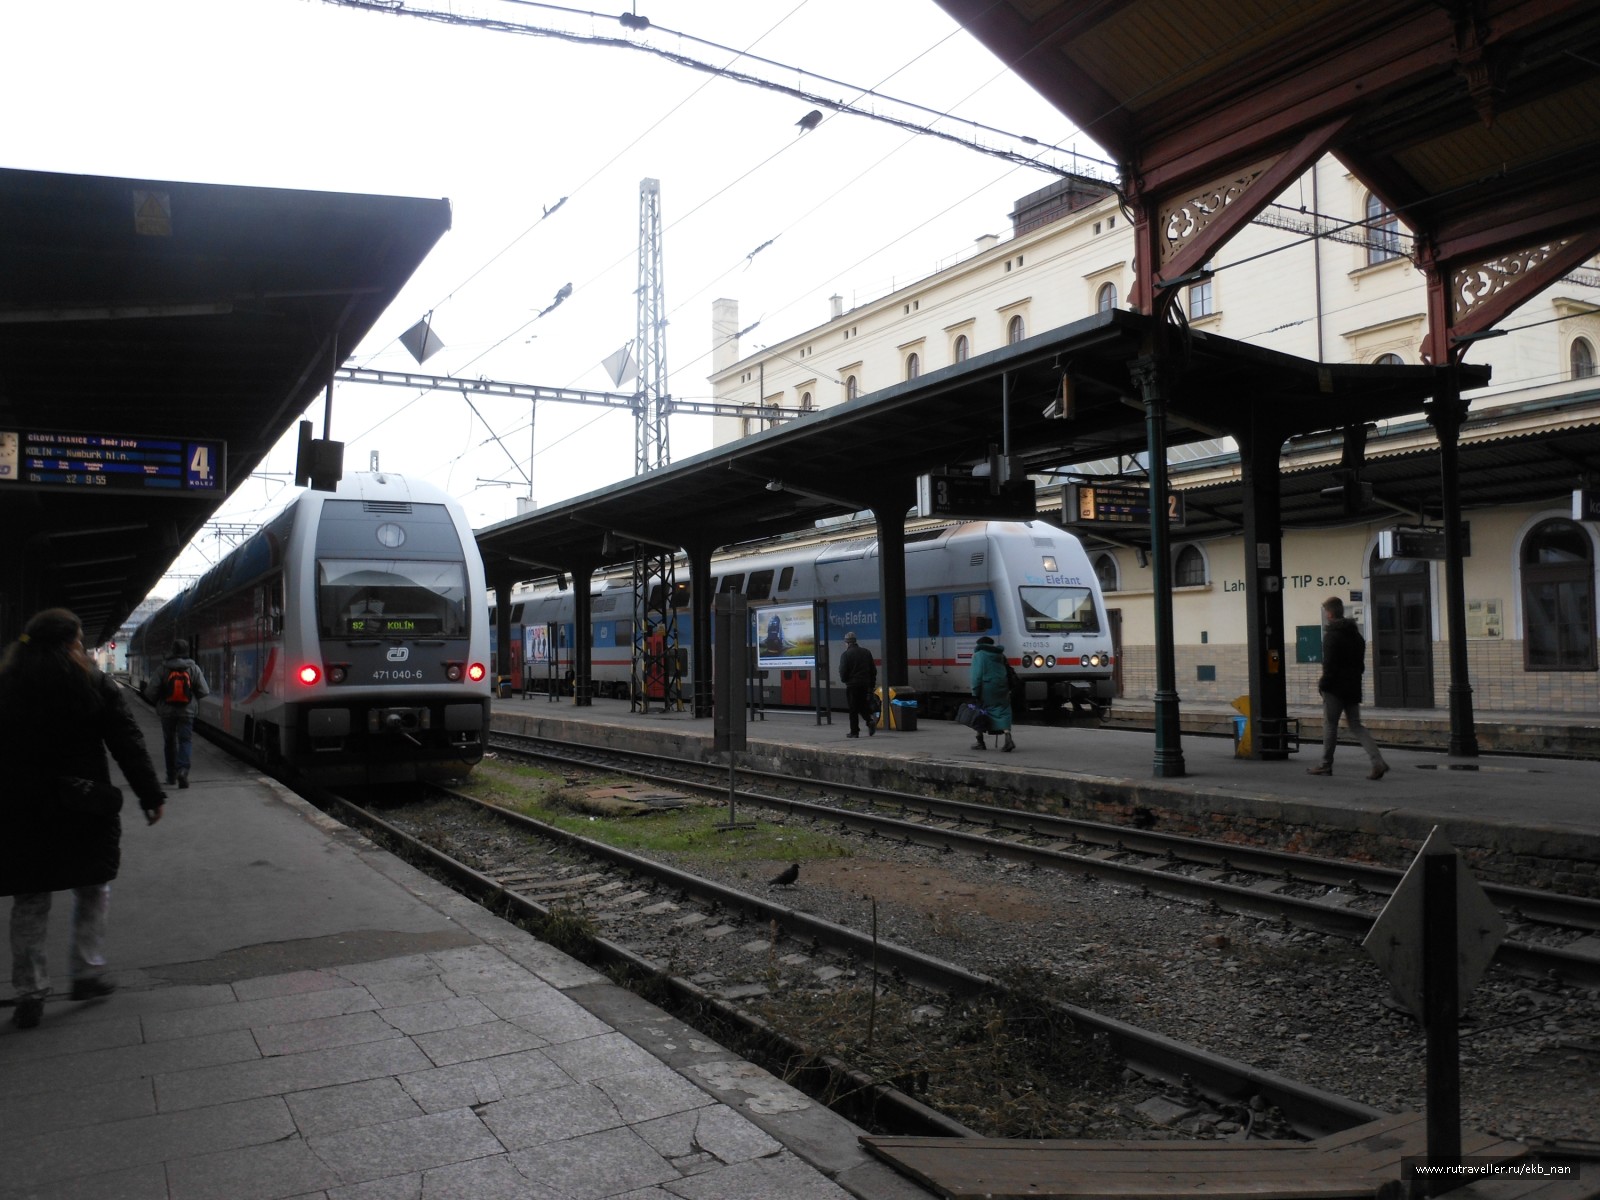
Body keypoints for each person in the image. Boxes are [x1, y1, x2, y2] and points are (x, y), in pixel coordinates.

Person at [2, 608, 166, 1030]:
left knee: (31, 901)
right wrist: (149, 794)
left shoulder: (8, 684)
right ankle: (87, 973)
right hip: (83, 802)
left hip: (23, 807)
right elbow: (126, 741)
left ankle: (29, 991)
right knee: (92, 888)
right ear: (73, 643)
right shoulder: (93, 682)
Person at [1307, 596, 1388, 780]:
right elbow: (1360, 665)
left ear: (1329, 613)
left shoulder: (1331, 636)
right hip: (1353, 687)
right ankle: (1378, 761)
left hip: (1334, 689)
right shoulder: (1356, 636)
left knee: (1330, 725)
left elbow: (1329, 665)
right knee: (1357, 726)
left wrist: (1323, 685)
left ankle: (1325, 765)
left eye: (1326, 612)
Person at [152, 638, 209, 788]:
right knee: (185, 741)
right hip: (187, 711)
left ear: (172, 651)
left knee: (169, 743)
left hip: (167, 712)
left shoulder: (163, 668)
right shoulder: (193, 668)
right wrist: (192, 694)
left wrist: (161, 698)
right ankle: (183, 771)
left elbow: (150, 692)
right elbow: (204, 690)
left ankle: (171, 776)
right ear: (186, 652)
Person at [969, 635, 1016, 751]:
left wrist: (975, 692)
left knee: (980, 711)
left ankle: (980, 740)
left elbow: (976, 676)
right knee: (1004, 710)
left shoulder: (979, 655)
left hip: (987, 688)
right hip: (1002, 686)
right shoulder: (1000, 655)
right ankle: (1008, 738)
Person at [837, 630, 877, 738]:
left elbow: (843, 671)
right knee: (862, 705)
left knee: (853, 709)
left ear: (847, 643)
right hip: (865, 685)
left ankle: (854, 732)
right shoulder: (866, 652)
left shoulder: (845, 655)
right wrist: (871, 685)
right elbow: (873, 670)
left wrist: (845, 680)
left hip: (852, 686)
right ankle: (869, 721)